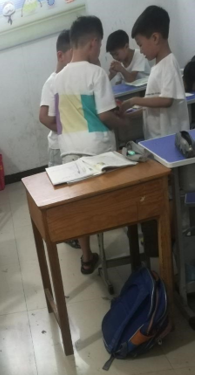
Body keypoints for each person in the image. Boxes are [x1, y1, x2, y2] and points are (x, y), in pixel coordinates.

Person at [51, 15, 128, 274]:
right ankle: (128, 246)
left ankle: (87, 258)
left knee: (81, 209)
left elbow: (59, 118)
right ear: (93, 43)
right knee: (113, 202)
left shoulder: (57, 79)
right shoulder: (97, 73)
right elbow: (105, 115)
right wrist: (123, 121)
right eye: (100, 45)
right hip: (98, 152)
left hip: (69, 154)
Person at [121, 6, 190, 139]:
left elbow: (166, 101)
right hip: (157, 138)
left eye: (140, 44)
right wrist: (130, 115)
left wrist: (133, 101)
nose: (140, 50)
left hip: (169, 139)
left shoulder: (169, 63)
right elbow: (152, 106)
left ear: (155, 38)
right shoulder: (158, 66)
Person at [39, 29, 73, 167]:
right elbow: (43, 117)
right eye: (73, 56)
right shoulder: (51, 83)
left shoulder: (73, 79)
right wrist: (66, 130)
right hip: (58, 146)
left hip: (73, 144)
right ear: (60, 56)